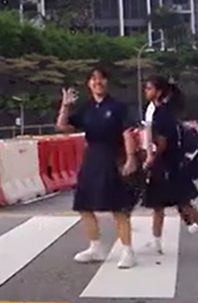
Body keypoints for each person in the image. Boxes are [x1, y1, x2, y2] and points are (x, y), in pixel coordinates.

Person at [57, 67, 140, 269]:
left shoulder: (118, 107)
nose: (97, 82)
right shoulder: (87, 108)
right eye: (93, 79)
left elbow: (127, 133)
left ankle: (128, 251)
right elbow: (63, 127)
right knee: (83, 205)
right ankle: (96, 247)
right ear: (89, 84)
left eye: (101, 78)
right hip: (92, 158)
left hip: (113, 157)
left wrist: (130, 158)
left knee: (118, 207)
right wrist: (65, 106)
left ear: (107, 82)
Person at [140, 76, 198, 256]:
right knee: (162, 204)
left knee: (182, 203)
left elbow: (163, 142)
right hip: (171, 163)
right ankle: (156, 241)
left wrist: (151, 157)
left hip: (169, 164)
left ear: (158, 92)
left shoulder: (162, 114)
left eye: (149, 88)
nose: (146, 91)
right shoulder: (167, 111)